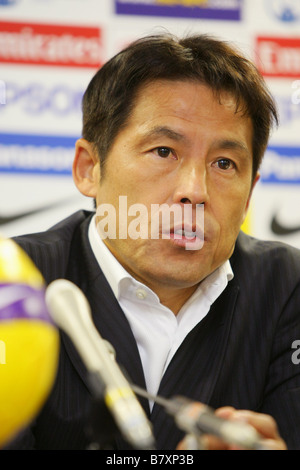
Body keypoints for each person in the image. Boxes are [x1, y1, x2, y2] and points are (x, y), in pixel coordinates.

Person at [5, 32, 300, 450]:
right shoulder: (14, 282)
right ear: (90, 168)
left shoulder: (287, 287)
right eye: (163, 151)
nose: (194, 190)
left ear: (250, 193)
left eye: (223, 163)